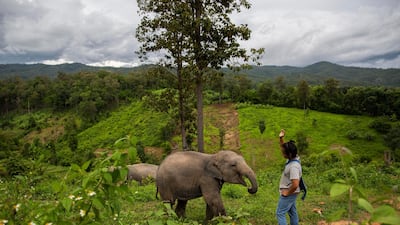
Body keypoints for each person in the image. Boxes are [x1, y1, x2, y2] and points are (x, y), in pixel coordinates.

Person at [276, 129, 302, 225]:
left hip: (289, 192)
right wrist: (281, 138)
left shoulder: (293, 167)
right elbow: (284, 147)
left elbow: (295, 184)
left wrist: (287, 193)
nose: (282, 154)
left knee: (280, 213)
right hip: (293, 193)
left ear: (289, 154)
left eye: (284, 153)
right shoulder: (294, 157)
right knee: (292, 212)